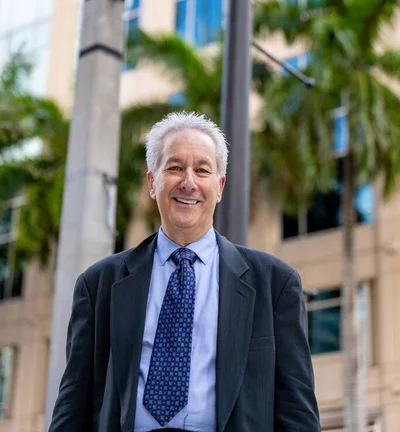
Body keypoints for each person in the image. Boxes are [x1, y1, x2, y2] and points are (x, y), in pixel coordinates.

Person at [49, 111, 320, 432]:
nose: (188, 183)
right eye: (175, 168)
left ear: (219, 187)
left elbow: (297, 412)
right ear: (153, 183)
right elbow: (72, 403)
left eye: (202, 170)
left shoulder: (275, 283)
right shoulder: (99, 284)